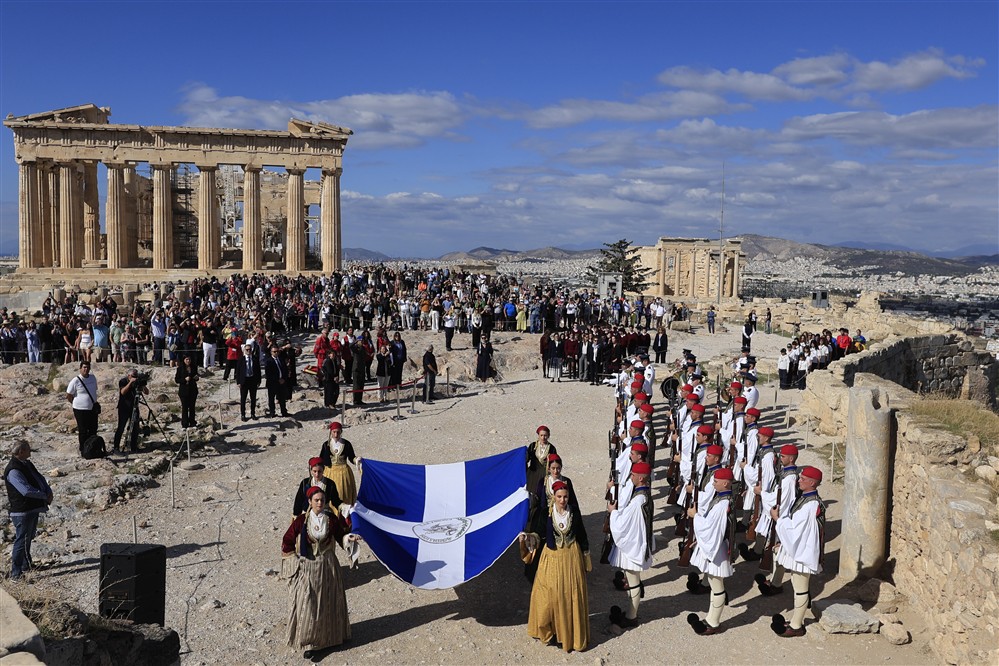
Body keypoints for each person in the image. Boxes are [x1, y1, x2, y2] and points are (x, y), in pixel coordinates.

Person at [281, 486, 360, 661]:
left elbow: (341, 536)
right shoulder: (301, 521)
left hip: (328, 565)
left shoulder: (330, 519)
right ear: (309, 502)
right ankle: (311, 642)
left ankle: (332, 638)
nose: (319, 503)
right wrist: (294, 559)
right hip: (308, 567)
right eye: (316, 500)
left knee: (329, 601)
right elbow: (287, 541)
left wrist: (349, 538)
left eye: (322, 500)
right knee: (308, 603)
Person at [522, 480, 591, 652]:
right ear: (554, 496)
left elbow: (581, 534)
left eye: (565, 496)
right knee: (548, 597)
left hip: (571, 559)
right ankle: (549, 630)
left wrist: (585, 556)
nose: (562, 500)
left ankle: (568, 636)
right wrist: (529, 538)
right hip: (551, 558)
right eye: (559, 496)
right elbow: (538, 533)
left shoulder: (574, 512)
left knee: (570, 596)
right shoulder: (546, 513)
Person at [770, 466, 826, 638]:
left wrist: (778, 520)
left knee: (801, 589)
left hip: (804, 552)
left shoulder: (811, 505)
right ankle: (795, 620)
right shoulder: (806, 500)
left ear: (812, 483)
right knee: (797, 585)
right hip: (799, 548)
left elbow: (797, 530)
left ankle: (796, 625)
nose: (799, 480)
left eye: (803, 478)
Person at [686, 467, 735, 635]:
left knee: (717, 586)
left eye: (715, 481)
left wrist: (695, 516)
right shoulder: (721, 499)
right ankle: (711, 619)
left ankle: (713, 622)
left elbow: (711, 527)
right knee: (715, 585)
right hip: (716, 545)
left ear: (725, 483)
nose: (713, 484)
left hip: (717, 549)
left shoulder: (723, 503)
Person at [607, 461, 653, 630]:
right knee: (633, 579)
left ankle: (631, 616)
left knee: (633, 581)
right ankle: (630, 612)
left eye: (633, 474)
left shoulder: (638, 501)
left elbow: (625, 522)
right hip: (638, 541)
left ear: (641, 478)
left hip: (634, 545)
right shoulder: (644, 495)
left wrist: (613, 513)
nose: (631, 476)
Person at [4, 441, 53, 579]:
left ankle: (27, 565)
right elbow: (25, 490)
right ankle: (16, 574)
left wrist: (48, 491)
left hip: (32, 508)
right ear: (21, 452)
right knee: (21, 540)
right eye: (28, 449)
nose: (30, 451)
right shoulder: (13, 470)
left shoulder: (26, 464)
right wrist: (44, 495)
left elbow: (39, 478)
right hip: (22, 510)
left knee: (28, 538)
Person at [319, 422, 359, 505]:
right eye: (334, 432)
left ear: (341, 432)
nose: (336, 434)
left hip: (343, 473)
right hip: (330, 472)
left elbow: (351, 457)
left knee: (342, 493)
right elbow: (321, 459)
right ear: (331, 432)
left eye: (338, 432)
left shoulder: (347, 444)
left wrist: (357, 460)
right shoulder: (326, 445)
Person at [66, 360, 100, 455]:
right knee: (83, 430)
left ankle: (92, 447)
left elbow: (95, 390)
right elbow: (69, 395)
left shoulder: (93, 378)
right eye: (84, 367)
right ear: (80, 369)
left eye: (88, 367)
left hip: (92, 408)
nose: (86, 369)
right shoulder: (76, 380)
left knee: (93, 429)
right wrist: (75, 403)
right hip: (80, 409)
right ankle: (83, 449)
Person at [113, 368, 149, 453]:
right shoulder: (123, 381)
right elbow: (122, 392)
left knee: (135, 428)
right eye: (133, 376)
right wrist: (130, 383)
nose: (135, 378)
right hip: (124, 407)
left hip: (134, 406)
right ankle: (116, 448)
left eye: (136, 376)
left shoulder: (137, 382)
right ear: (129, 376)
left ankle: (134, 447)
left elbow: (147, 392)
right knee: (121, 427)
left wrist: (142, 384)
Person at [526, 426, 558, 516]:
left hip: (544, 475)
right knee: (531, 497)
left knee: (542, 497)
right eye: (541, 435)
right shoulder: (533, 446)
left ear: (548, 436)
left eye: (545, 435)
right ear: (538, 436)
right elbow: (526, 459)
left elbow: (555, 463)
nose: (543, 437)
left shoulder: (551, 448)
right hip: (532, 475)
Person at [236, 342, 261, 422]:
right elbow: (238, 371)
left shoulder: (255, 358)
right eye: (247, 350)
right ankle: (243, 415)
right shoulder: (241, 359)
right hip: (244, 380)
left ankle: (253, 413)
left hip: (252, 380)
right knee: (243, 399)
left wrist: (259, 380)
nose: (248, 351)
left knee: (253, 398)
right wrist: (238, 382)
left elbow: (258, 370)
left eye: (250, 350)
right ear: (244, 350)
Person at [174, 354, 200, 428]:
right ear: (184, 360)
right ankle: (184, 424)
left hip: (193, 390)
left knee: (192, 407)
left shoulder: (194, 367)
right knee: (185, 408)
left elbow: (196, 377)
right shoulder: (180, 368)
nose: (188, 361)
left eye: (189, 359)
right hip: (183, 391)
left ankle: (192, 422)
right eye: (186, 359)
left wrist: (196, 378)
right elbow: (176, 379)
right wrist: (184, 380)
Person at [265, 345, 291, 417]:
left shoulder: (281, 359)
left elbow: (285, 370)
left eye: (277, 351)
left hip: (282, 382)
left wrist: (284, 379)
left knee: (282, 398)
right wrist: (277, 380)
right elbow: (268, 373)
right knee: (271, 398)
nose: (276, 353)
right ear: (271, 352)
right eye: (274, 352)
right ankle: (272, 412)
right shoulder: (268, 361)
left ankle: (284, 412)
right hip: (273, 383)